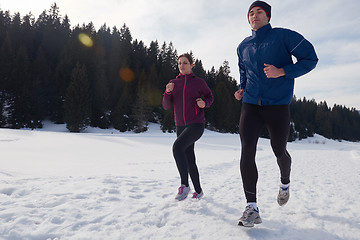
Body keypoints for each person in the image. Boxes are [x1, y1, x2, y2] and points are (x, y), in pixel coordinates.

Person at [234, 1, 318, 227]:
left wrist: (282, 71)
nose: (254, 16)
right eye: (250, 13)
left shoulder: (284, 36)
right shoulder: (243, 46)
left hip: (278, 106)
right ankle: (251, 207)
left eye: (259, 12)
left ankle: (285, 183)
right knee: (246, 150)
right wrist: (242, 88)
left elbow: (311, 59)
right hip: (251, 104)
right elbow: (244, 71)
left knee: (279, 150)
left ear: (268, 16)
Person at [162, 53, 214, 201]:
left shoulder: (199, 82)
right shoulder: (173, 83)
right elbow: (166, 106)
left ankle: (184, 185)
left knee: (177, 148)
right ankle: (198, 191)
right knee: (189, 158)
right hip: (180, 125)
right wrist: (167, 92)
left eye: (185, 63)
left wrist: (205, 103)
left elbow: (210, 97)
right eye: (179, 63)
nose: (181, 66)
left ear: (191, 65)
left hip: (196, 124)